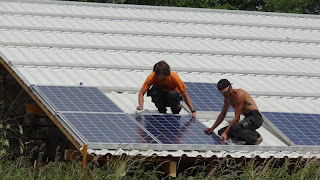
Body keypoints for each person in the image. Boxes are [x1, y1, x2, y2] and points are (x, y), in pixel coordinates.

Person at [204, 79, 263, 145]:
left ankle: (256, 137)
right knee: (221, 132)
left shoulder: (239, 94)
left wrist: (226, 133)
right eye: (221, 92)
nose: (224, 94)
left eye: (224, 91)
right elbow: (223, 114)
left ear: (230, 87)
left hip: (255, 118)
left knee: (233, 128)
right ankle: (243, 139)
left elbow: (237, 117)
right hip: (247, 118)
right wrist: (212, 128)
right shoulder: (227, 98)